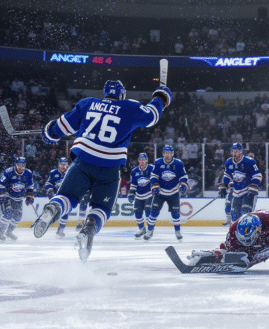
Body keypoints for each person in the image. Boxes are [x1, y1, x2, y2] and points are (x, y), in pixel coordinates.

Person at [33, 80, 171, 262]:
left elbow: (62, 127)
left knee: (67, 196)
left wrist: (49, 132)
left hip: (83, 162)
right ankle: (89, 228)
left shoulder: (87, 103)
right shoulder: (129, 107)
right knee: (102, 208)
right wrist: (160, 97)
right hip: (110, 168)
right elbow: (152, 116)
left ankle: (54, 207)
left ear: (104, 93)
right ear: (121, 94)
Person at [144, 145, 188, 241]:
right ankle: (150, 231)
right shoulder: (158, 162)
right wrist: (154, 185)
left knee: (175, 214)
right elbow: (154, 175)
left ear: (172, 154)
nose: (167, 155)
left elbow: (183, 176)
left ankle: (177, 231)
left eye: (169, 153)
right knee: (154, 213)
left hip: (174, 193)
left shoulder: (178, 163)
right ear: (163, 153)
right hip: (160, 193)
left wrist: (183, 184)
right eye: (165, 153)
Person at [219, 143, 262, 226]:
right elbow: (227, 175)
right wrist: (224, 185)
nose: (234, 153)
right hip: (236, 192)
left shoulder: (249, 162)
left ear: (241, 152)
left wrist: (254, 186)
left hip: (248, 192)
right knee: (234, 215)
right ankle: (235, 236)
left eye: (236, 151)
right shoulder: (228, 162)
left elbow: (257, 175)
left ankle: (248, 234)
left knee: (246, 213)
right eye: (233, 151)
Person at [0, 156, 34, 242]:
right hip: (8, 196)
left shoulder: (28, 173)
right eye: (19, 165)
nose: (21, 167)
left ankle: (9, 232)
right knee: (8, 213)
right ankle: (0, 234)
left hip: (19, 197)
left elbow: (29, 186)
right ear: (16, 164)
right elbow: (0, 183)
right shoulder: (9, 172)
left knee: (18, 217)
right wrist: (0, 194)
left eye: (23, 165)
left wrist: (29, 196)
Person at [44, 157, 73, 238]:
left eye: (65, 165)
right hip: (56, 196)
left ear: (67, 165)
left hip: (66, 197)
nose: (63, 166)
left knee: (65, 214)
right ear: (59, 164)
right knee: (56, 211)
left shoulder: (71, 172)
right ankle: (46, 220)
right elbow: (48, 182)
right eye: (61, 164)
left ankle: (60, 230)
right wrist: (49, 188)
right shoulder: (54, 173)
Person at [129, 153, 154, 239]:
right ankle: (141, 229)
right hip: (139, 196)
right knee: (137, 213)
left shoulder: (151, 168)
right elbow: (133, 183)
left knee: (148, 212)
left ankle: (150, 230)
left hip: (149, 194)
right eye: (140, 159)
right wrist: (131, 193)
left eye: (144, 159)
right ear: (138, 160)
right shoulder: (134, 171)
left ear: (146, 160)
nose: (142, 161)